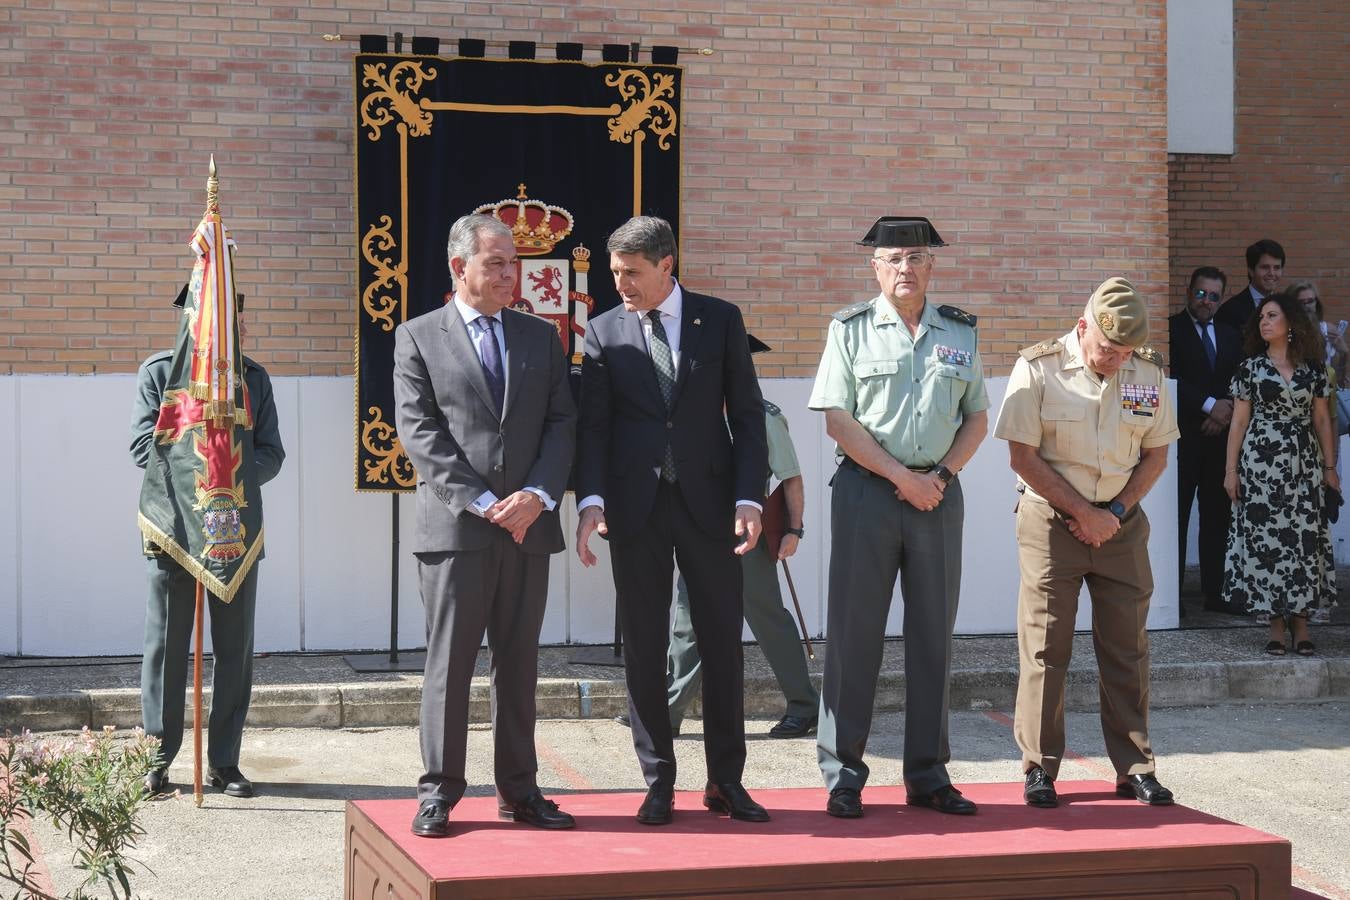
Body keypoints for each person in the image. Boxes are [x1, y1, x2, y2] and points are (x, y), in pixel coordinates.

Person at [576, 215, 770, 826]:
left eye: (632, 273)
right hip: (636, 509)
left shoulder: (720, 319)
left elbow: (746, 414)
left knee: (721, 645)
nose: (621, 285)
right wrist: (591, 501)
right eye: (615, 273)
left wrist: (749, 498)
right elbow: (593, 429)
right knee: (644, 646)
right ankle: (658, 779)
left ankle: (725, 782)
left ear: (667, 265)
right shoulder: (603, 331)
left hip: (710, 504)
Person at [392, 213, 577, 837]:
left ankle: (520, 792)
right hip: (458, 532)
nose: (509, 273)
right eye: (495, 262)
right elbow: (421, 433)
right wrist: (480, 502)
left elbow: (562, 424)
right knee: (450, 665)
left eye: (513, 262)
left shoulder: (538, 336)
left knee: (519, 664)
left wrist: (538, 495)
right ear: (459, 268)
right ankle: (439, 795)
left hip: (529, 528)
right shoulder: (418, 337)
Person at [808, 216, 988, 820]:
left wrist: (938, 478)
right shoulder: (850, 330)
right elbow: (837, 418)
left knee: (933, 637)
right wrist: (902, 479)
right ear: (875, 267)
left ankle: (929, 775)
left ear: (931, 265)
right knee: (854, 637)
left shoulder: (959, 332)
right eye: (893, 259)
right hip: (868, 496)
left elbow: (976, 419)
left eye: (915, 258)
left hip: (938, 496)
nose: (905, 269)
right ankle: (843, 774)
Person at [993, 277, 1179, 810]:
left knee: (1127, 648)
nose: (1115, 361)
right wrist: (1084, 514)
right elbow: (1022, 457)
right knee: (1047, 648)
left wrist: (1113, 514)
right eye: (1106, 349)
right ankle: (1039, 769)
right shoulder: (1038, 367)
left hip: (1121, 525)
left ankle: (1136, 767)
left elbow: (1156, 456)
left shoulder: (1146, 371)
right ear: (1083, 327)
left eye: (1124, 352)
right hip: (1052, 524)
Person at [131, 290, 286, 799]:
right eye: (217, 316)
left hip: (233, 529)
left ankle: (224, 763)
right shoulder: (159, 374)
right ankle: (155, 760)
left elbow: (270, 453)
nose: (231, 326)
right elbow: (141, 448)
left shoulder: (254, 380)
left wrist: (231, 484)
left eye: (235, 317)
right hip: (174, 526)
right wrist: (197, 483)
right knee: (166, 649)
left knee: (235, 650)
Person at [664, 336, 818, 739]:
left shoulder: (762, 417)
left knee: (767, 621)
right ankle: (667, 713)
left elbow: (791, 478)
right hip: (700, 531)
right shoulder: (691, 413)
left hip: (745, 536)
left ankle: (804, 706)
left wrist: (793, 529)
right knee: (686, 624)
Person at [1222, 289, 1339, 656]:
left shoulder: (1314, 369)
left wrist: (1330, 467)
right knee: (1267, 543)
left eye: (1271, 315)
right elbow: (1239, 423)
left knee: (1304, 543)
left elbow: (1322, 419)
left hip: (1304, 464)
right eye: (1261, 317)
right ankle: (1275, 627)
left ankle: (1301, 627)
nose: (1265, 322)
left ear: (1290, 321)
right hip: (1260, 465)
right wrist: (1230, 471)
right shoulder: (1250, 368)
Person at [1168, 266, 1243, 614]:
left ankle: (1216, 593)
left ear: (1221, 299)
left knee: (1217, 517)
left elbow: (1239, 377)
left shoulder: (1231, 334)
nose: (1206, 301)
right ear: (1189, 291)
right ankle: (1174, 594)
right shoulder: (1171, 329)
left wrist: (1224, 409)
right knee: (1178, 517)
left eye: (1214, 296)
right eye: (1201, 293)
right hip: (1183, 438)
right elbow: (1171, 378)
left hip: (1220, 442)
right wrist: (1210, 405)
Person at [1213, 238, 1284, 331]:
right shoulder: (1229, 311)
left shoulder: (1286, 308)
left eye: (1277, 268)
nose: (1272, 273)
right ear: (1251, 271)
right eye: (1265, 267)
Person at [1293, 280, 1348, 389]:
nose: (1307, 306)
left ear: (1316, 303)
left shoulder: (1328, 331)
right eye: (1301, 302)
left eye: (1310, 301)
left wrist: (1344, 354)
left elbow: (1338, 381)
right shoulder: (1283, 332)